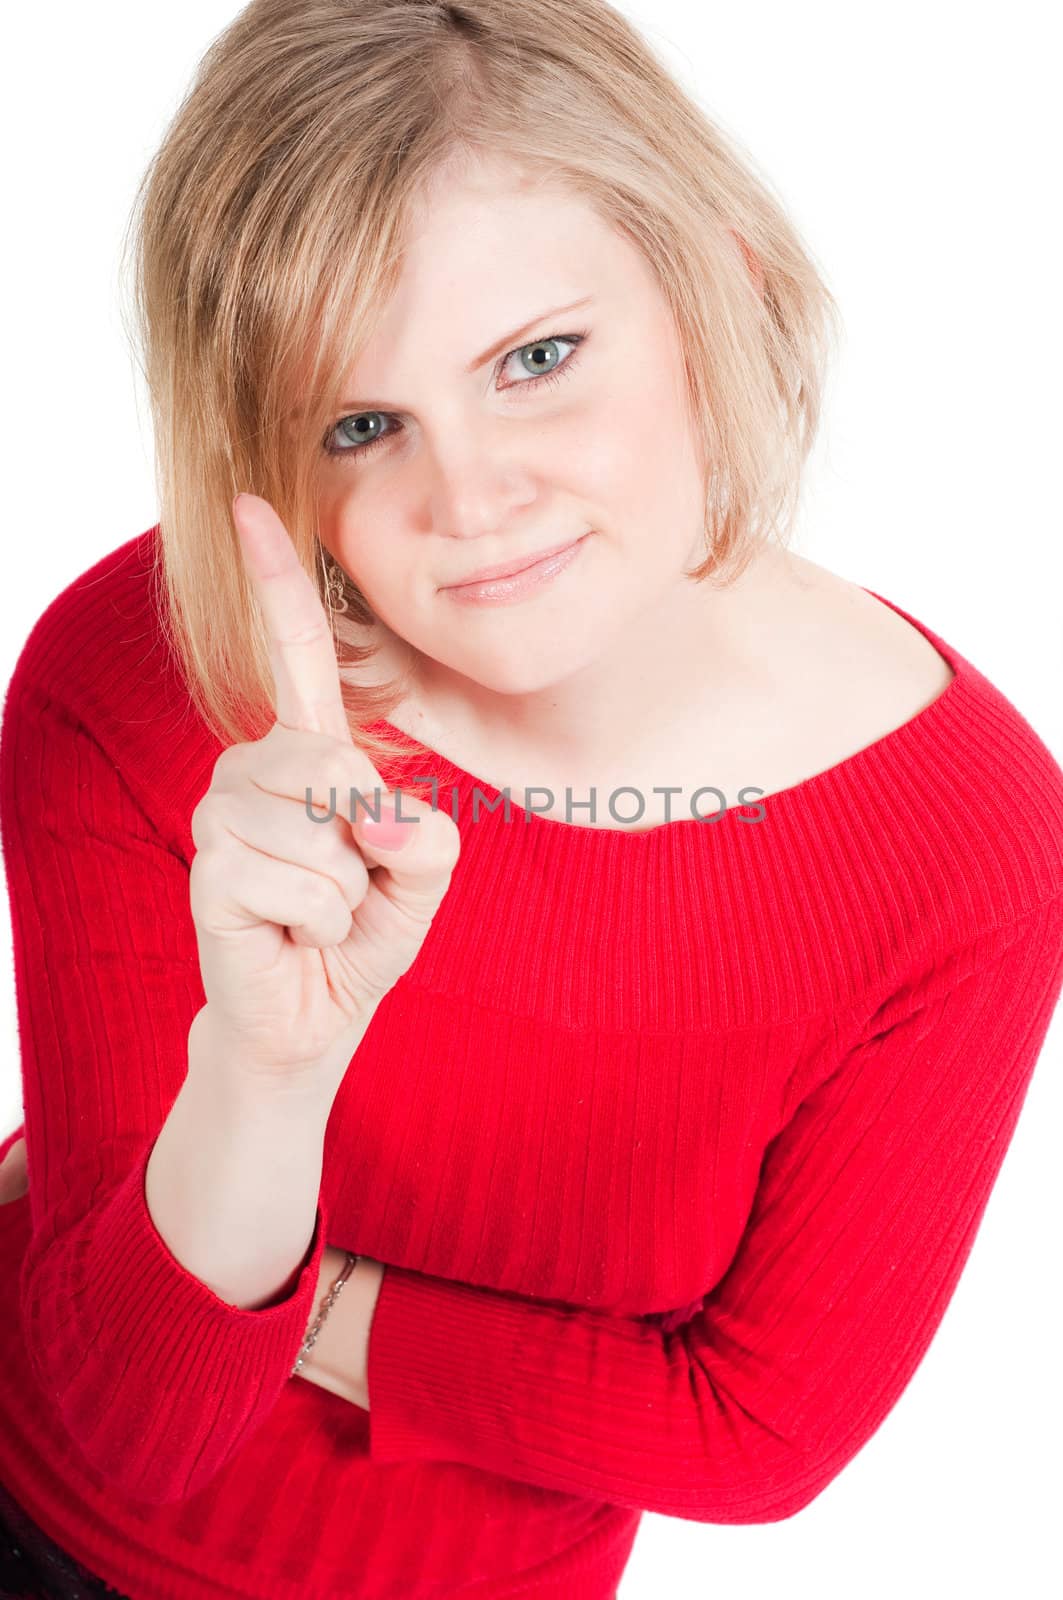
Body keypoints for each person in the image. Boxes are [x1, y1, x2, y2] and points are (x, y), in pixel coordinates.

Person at [1, 1, 1062, 1597]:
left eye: (538, 360)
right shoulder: (141, 676)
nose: (473, 500)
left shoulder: (971, 841)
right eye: (361, 425)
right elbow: (130, 1428)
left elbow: (755, 1435)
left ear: (721, 284)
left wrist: (310, 1293)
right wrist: (267, 1078)